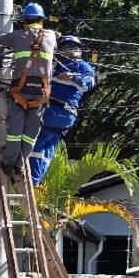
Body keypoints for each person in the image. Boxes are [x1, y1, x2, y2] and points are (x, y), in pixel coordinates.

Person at [0, 2, 58, 180]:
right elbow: (57, 36)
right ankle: (20, 165)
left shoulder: (16, 36)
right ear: (41, 21)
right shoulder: (52, 36)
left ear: (25, 21)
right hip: (41, 95)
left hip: (20, 92)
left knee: (15, 133)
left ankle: (8, 162)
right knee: (30, 135)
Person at [29, 35, 95, 184]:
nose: (69, 50)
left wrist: (73, 78)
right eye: (66, 48)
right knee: (49, 146)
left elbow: (89, 83)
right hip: (63, 115)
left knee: (36, 140)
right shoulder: (57, 66)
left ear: (80, 51)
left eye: (73, 47)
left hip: (57, 110)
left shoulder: (81, 66)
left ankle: (31, 178)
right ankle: (36, 180)